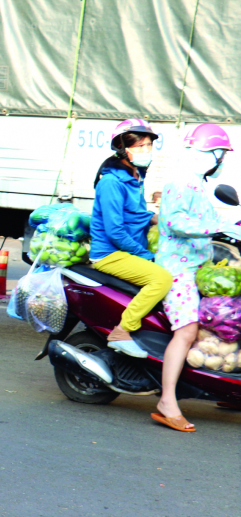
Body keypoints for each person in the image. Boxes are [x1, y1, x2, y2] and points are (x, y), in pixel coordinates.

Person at [153, 124, 241, 432]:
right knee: (188, 332)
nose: (223, 161)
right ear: (210, 153)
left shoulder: (196, 183)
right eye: (222, 154)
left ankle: (226, 390)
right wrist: (216, 229)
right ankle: (167, 401)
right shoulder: (181, 182)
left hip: (197, 265)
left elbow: (206, 218)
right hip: (178, 270)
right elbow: (175, 221)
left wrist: (232, 225)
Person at [89, 119, 172, 358]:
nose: (146, 151)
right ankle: (123, 329)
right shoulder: (111, 182)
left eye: (149, 145)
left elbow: (133, 213)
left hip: (127, 250)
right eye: (140, 146)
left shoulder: (134, 175)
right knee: (161, 279)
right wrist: (147, 256)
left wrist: (156, 218)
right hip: (110, 254)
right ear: (123, 149)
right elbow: (115, 231)